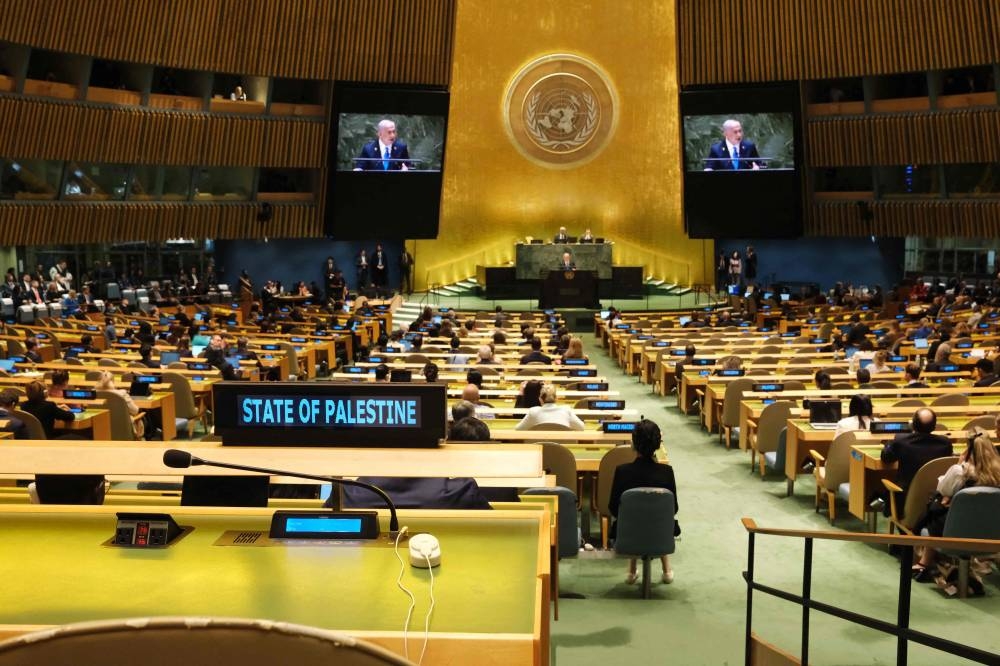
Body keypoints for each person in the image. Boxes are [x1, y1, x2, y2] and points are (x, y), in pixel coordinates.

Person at [911, 433, 1000, 585]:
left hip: (955, 531)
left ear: (969, 451)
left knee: (935, 507)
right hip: (991, 532)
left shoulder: (960, 471)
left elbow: (942, 489)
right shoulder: (997, 473)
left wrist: (959, 464)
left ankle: (925, 562)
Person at [608, 419, 678, 584]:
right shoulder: (667, 472)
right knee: (657, 517)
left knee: (633, 517)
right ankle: (667, 570)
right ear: (658, 444)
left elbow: (613, 508)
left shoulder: (622, 471)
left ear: (633, 444)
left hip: (628, 533)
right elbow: (673, 509)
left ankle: (631, 570)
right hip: (660, 533)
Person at [880, 408, 953, 513]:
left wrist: (888, 444)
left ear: (913, 425)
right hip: (936, 501)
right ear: (934, 426)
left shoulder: (901, 441)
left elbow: (886, 458)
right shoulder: (945, 443)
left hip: (904, 502)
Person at [94, 370, 144, 439]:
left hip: (98, 431)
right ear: (113, 381)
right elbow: (135, 411)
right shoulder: (122, 393)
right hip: (123, 430)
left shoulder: (93, 394)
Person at [514, 383, 584, 431]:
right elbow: (581, 428)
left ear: (540, 399)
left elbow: (518, 429)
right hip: (564, 450)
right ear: (556, 398)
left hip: (540, 447)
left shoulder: (533, 412)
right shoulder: (566, 410)